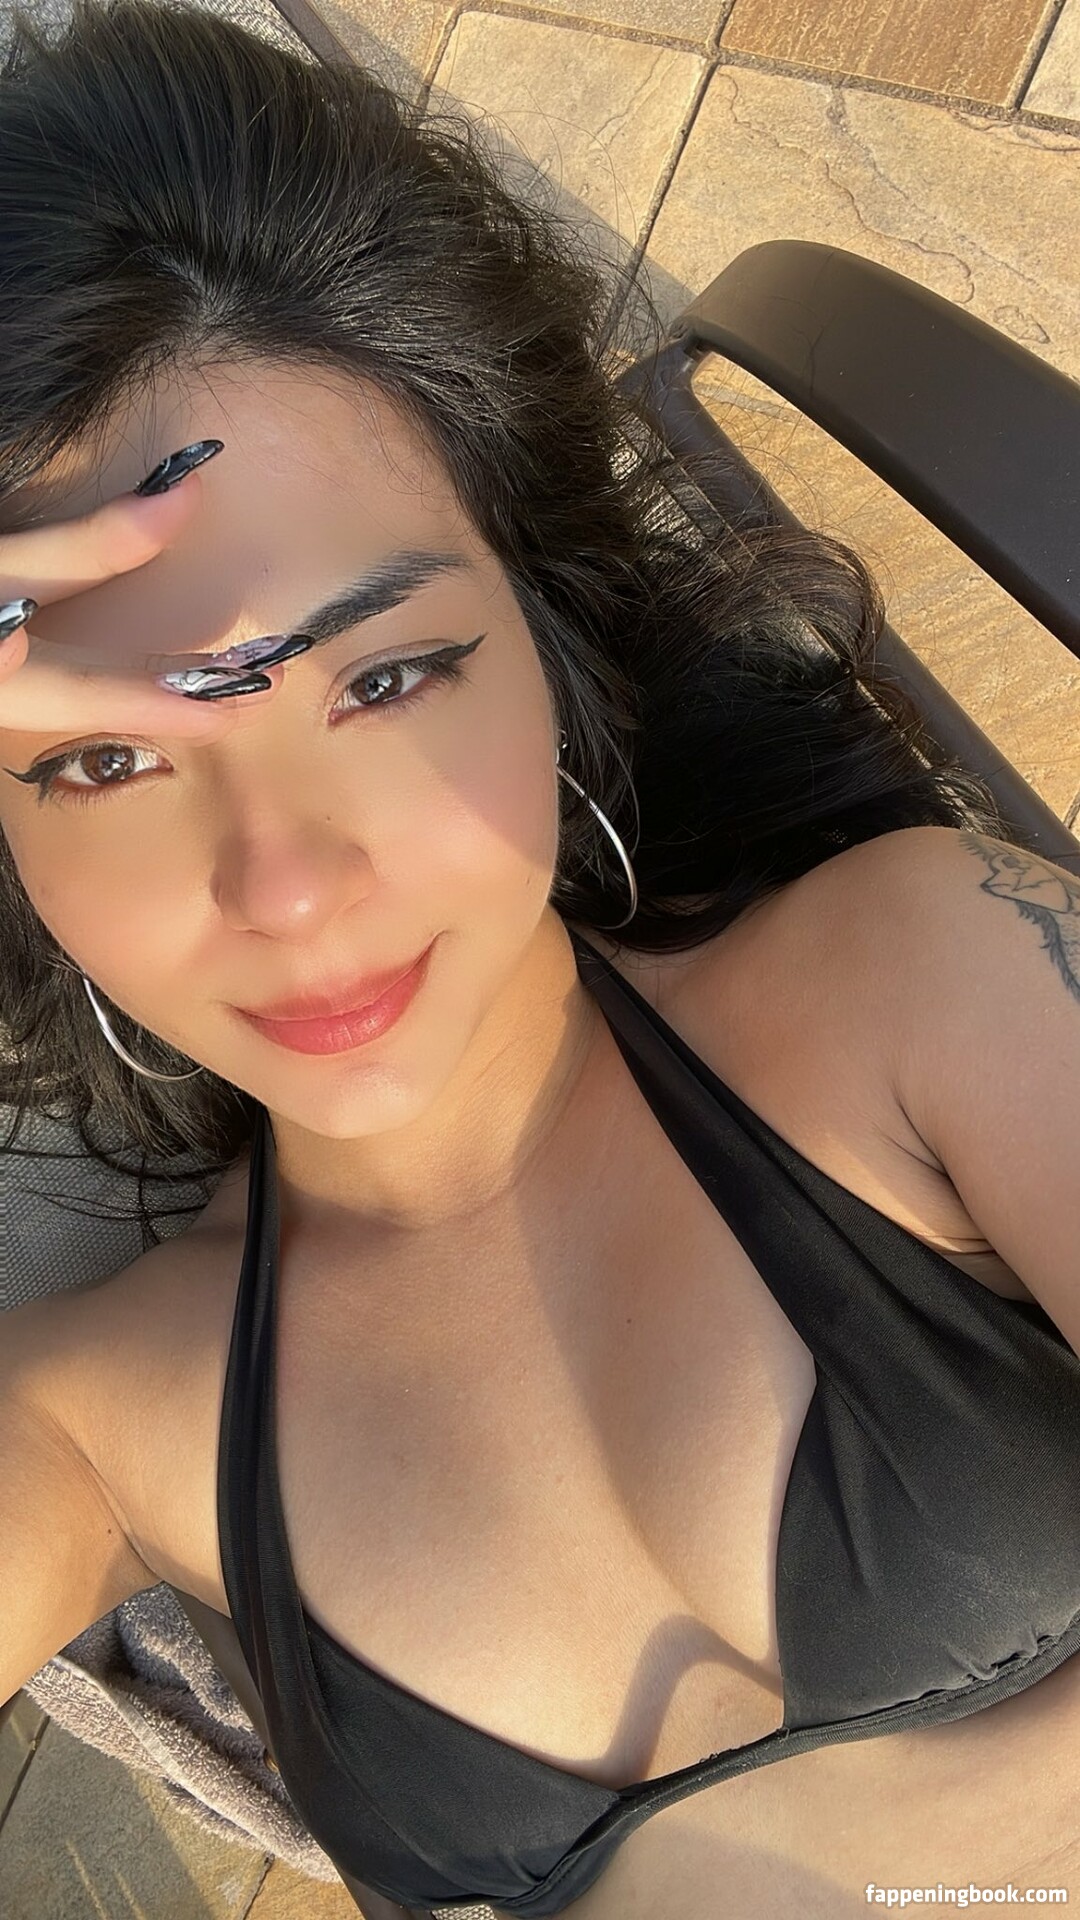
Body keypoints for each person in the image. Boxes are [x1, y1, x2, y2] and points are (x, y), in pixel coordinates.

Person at [3, 2, 1080, 1916]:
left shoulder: (919, 984)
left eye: (386, 676)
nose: (291, 889)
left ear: (550, 637)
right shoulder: (99, 1418)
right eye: (101, 758)